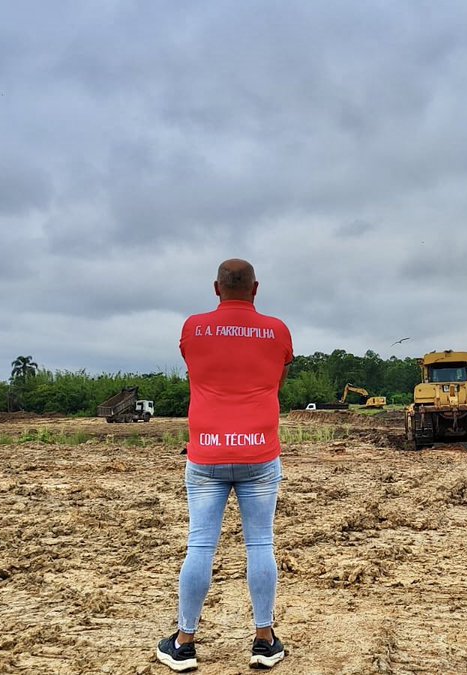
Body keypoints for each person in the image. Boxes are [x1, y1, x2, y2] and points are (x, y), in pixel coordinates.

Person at [155, 259, 293, 672]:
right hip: (259, 452)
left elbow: (194, 370)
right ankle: (264, 640)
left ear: (217, 288)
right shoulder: (278, 330)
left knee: (199, 545)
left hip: (206, 453)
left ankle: (183, 643)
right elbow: (276, 380)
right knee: (260, 543)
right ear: (256, 289)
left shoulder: (193, 327)